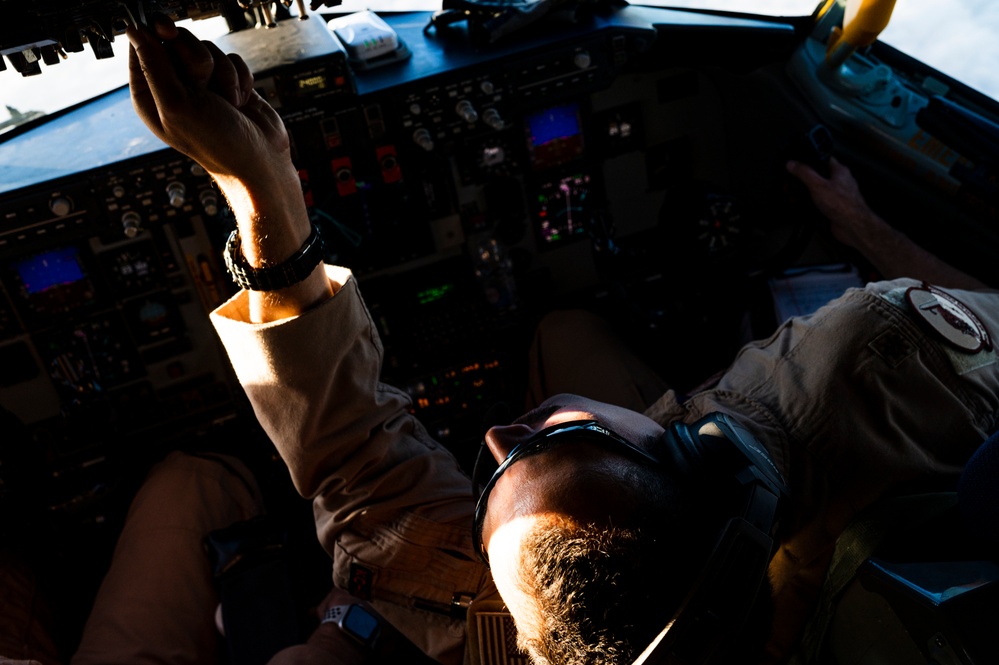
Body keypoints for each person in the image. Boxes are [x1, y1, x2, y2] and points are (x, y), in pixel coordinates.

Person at [121, 16, 999, 665]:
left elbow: (361, 465)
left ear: (512, 628)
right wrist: (861, 227)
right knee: (564, 329)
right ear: (704, 457)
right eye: (565, 437)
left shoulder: (472, 619)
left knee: (187, 479)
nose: (497, 433)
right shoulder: (894, 379)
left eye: (489, 479)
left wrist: (263, 194)